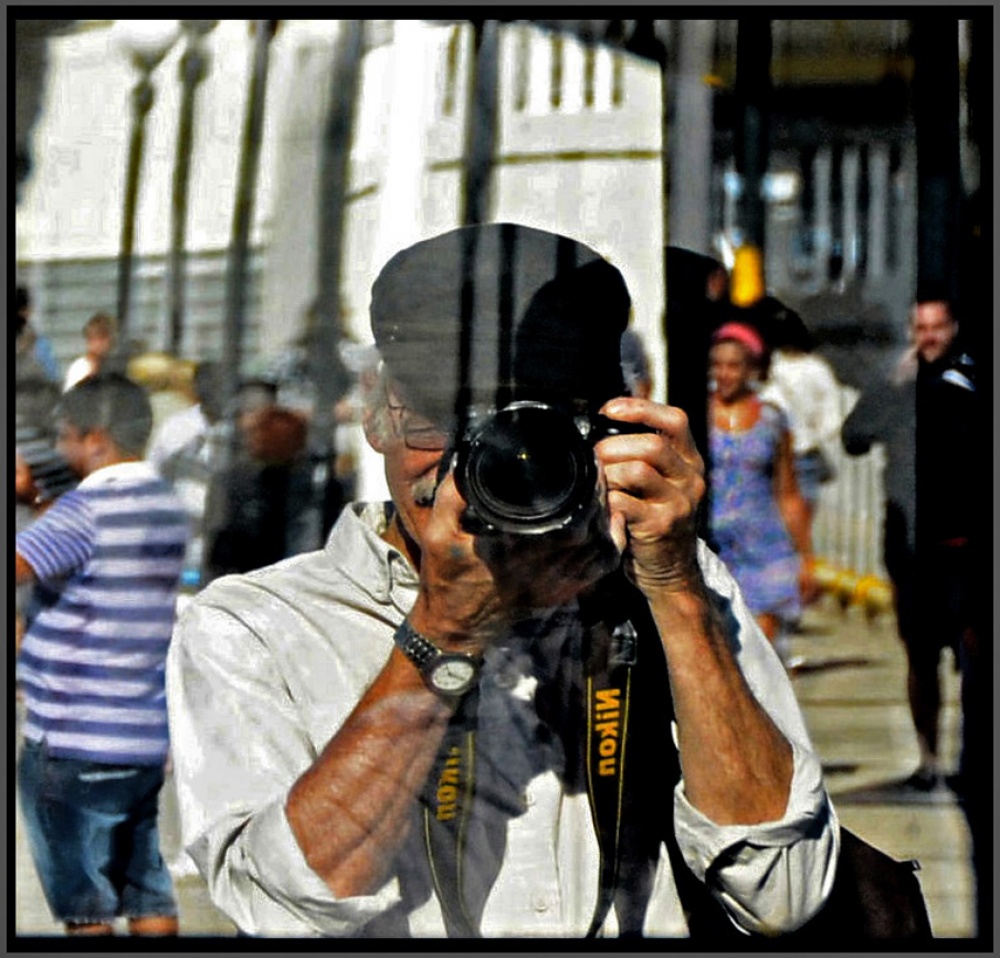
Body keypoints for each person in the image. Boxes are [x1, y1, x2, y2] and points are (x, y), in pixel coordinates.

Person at [167, 224, 838, 939]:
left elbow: (783, 892)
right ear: (375, 411)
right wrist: (441, 635)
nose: (477, 463)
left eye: (529, 428)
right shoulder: (253, 626)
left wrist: (673, 586)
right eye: (439, 417)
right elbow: (281, 912)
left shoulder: (671, 587)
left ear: (609, 429)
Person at [15, 373, 188, 937]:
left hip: (70, 741)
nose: (59, 451)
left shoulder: (85, 508)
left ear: (95, 439)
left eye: (64, 437)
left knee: (85, 904)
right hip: (139, 738)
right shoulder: (164, 503)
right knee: (145, 887)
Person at [841, 295, 978, 791]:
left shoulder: (970, 378)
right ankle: (928, 757)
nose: (929, 338)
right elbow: (853, 436)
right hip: (910, 543)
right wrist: (891, 394)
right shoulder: (895, 382)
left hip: (965, 545)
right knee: (920, 656)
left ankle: (972, 756)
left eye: (937, 327)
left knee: (971, 653)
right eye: (921, 328)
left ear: (953, 328)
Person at [708, 321, 815, 657]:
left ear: (751, 369)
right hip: (713, 546)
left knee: (762, 655)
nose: (725, 374)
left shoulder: (771, 420)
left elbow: (788, 492)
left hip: (764, 549)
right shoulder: (696, 415)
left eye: (733, 365)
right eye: (717, 365)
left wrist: (807, 558)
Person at [758, 304, 844, 532]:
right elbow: (832, 417)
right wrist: (813, 434)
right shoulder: (817, 369)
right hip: (803, 455)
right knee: (798, 528)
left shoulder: (769, 367)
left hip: (773, 455)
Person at [62, 311, 116, 392]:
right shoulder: (79, 369)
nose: (99, 344)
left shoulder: (116, 369)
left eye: (103, 338)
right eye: (94, 338)